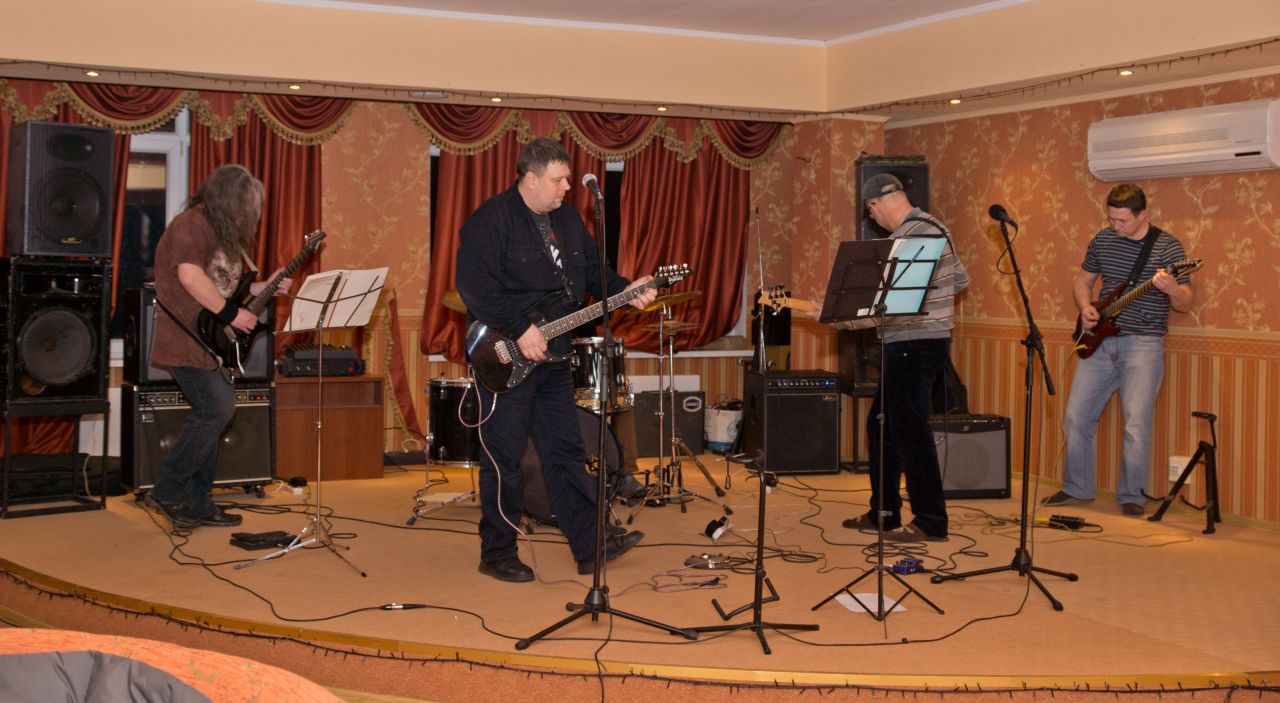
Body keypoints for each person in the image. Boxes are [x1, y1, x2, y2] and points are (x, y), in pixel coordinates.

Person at [456, 138, 657, 583]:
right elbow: (473, 286)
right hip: (504, 356)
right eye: (559, 179)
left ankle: (589, 546)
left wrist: (627, 288)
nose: (568, 187)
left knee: (566, 452)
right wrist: (518, 327)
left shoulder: (567, 220)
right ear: (530, 179)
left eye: (568, 178)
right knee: (504, 459)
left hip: (554, 357)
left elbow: (595, 275)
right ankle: (497, 553)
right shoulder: (491, 219)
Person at [815, 173, 968, 542]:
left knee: (910, 431)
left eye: (871, 212)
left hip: (913, 344)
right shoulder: (935, 227)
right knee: (881, 427)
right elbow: (961, 279)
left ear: (874, 205)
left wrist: (839, 317)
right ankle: (883, 513)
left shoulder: (911, 236)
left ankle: (931, 520)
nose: (873, 218)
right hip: (916, 342)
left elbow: (892, 306)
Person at [146, 164, 292, 529]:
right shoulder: (191, 225)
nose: (248, 216)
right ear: (229, 201)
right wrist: (231, 315)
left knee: (213, 414)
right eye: (246, 207)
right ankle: (168, 491)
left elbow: (226, 288)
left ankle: (198, 500)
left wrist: (264, 287)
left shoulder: (215, 231)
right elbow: (190, 276)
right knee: (216, 411)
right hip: (186, 341)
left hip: (207, 342)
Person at [1044, 183, 1192, 517]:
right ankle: (1077, 488)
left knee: (1135, 424)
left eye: (1122, 220)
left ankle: (1132, 495)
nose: (1115, 225)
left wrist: (1172, 289)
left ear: (1143, 215)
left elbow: (1185, 303)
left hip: (1143, 343)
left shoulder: (1168, 247)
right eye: (1111, 219)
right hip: (1100, 340)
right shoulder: (1103, 240)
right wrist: (1086, 307)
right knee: (1076, 416)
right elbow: (1083, 281)